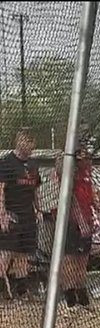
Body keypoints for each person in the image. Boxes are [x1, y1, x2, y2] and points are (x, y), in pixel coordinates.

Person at [54, 139, 99, 309]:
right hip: (71, 221)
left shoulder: (86, 168)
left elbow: (90, 190)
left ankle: (82, 297)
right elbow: (70, 198)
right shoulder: (67, 168)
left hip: (87, 219)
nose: (85, 155)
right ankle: (70, 300)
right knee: (70, 261)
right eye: (81, 152)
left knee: (82, 260)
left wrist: (97, 206)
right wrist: (80, 221)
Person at [0, 128, 42, 299]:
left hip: (28, 215)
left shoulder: (32, 165)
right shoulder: (7, 163)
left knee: (24, 253)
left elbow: (36, 190)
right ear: (18, 141)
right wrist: (1, 213)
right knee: (6, 251)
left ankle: (22, 290)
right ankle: (2, 288)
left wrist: (38, 209)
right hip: (12, 213)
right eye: (26, 141)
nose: (29, 145)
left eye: (31, 142)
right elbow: (0, 189)